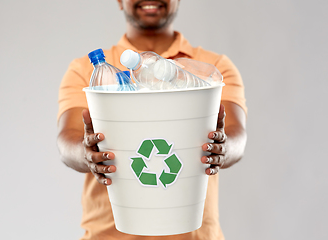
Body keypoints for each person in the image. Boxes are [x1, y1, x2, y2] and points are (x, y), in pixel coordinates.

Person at [57, 0, 247, 239]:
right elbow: (67, 141)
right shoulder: (86, 70)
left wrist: (223, 148)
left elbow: (236, 137)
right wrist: (86, 153)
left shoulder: (213, 68)